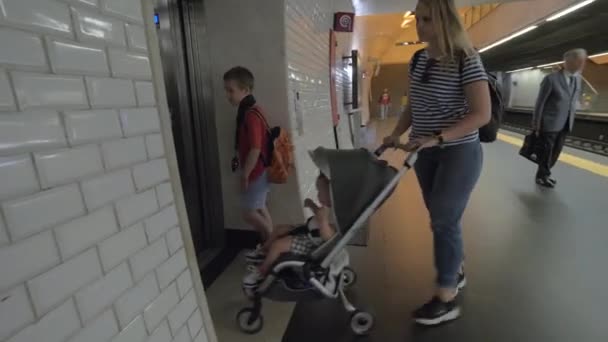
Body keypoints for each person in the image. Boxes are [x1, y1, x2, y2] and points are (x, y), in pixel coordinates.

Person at [383, 0, 491, 326]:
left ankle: (446, 296)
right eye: (418, 18)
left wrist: (439, 137)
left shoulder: (466, 59)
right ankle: (455, 268)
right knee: (440, 217)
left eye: (426, 19)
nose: (419, 25)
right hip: (425, 153)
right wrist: (396, 133)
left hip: (459, 152)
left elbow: (481, 114)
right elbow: (413, 106)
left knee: (443, 219)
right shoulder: (417, 60)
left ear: (444, 20)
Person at [242, 174, 336, 289]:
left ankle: (262, 271)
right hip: (307, 232)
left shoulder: (334, 214)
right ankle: (263, 250)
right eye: (318, 190)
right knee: (279, 229)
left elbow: (329, 238)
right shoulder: (326, 207)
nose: (318, 194)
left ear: (332, 193)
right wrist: (312, 206)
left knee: (278, 245)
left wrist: (323, 223)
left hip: (311, 244)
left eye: (321, 191)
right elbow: (319, 215)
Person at [224, 67, 273, 258]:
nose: (227, 95)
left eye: (231, 90)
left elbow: (255, 148)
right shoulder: (253, 109)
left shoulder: (251, 114)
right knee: (260, 207)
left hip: (256, 171)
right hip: (261, 169)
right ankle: (270, 243)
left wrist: (245, 174)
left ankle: (271, 245)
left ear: (245, 89)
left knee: (249, 213)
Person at [532, 49, 586, 188]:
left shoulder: (578, 79)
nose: (582, 64)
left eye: (583, 61)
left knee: (556, 151)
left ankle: (545, 173)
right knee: (547, 151)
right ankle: (542, 176)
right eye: (579, 60)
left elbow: (572, 99)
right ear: (568, 61)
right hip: (549, 123)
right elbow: (540, 103)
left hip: (566, 123)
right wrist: (536, 125)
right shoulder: (551, 79)